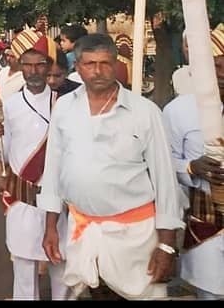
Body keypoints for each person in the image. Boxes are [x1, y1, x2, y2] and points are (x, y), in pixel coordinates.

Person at [39, 34, 183, 300]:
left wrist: (166, 245)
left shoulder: (145, 112)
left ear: (116, 65)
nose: (98, 71)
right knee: (93, 294)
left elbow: (166, 182)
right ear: (77, 67)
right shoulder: (64, 108)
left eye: (105, 63)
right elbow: (53, 171)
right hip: (83, 228)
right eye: (90, 63)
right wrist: (50, 228)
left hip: (135, 236)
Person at [0, 30, 70, 300]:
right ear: (20, 66)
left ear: (49, 66)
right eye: (28, 64)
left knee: (63, 271)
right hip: (23, 198)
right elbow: (3, 154)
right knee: (23, 272)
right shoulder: (8, 106)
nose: (34, 71)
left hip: (60, 202)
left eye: (40, 64)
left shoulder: (65, 104)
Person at [162, 27, 224, 300]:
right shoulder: (178, 111)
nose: (221, 73)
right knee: (210, 293)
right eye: (215, 67)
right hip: (206, 220)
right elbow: (164, 164)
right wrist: (191, 167)